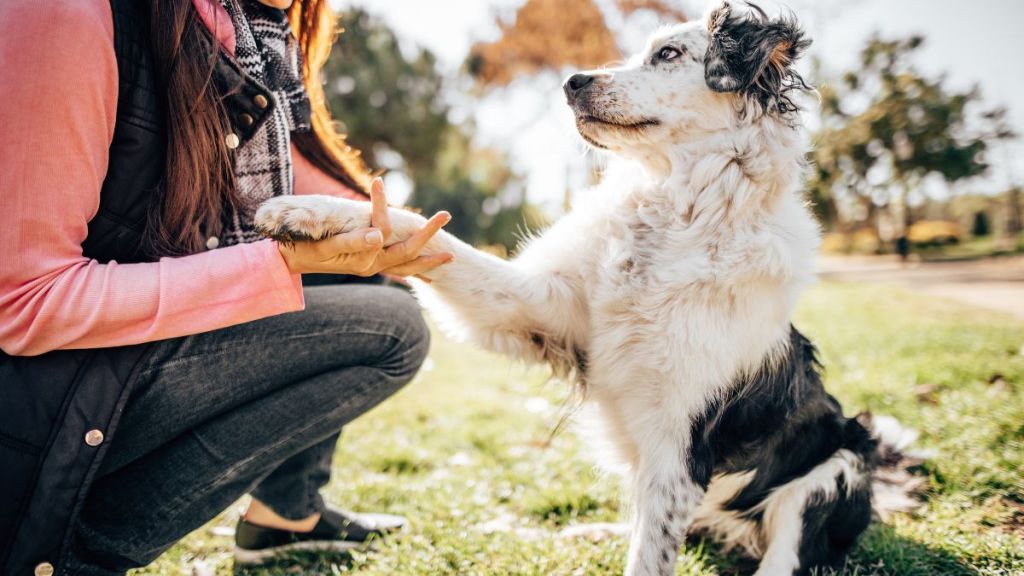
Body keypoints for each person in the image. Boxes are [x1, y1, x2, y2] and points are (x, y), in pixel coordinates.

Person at [0, 0, 454, 574]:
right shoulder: (65, 14)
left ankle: (285, 516)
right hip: (46, 398)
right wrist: (278, 265)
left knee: (355, 265)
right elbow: (24, 305)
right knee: (391, 329)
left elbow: (327, 196)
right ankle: (74, 547)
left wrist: (423, 245)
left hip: (109, 365)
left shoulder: (246, 43)